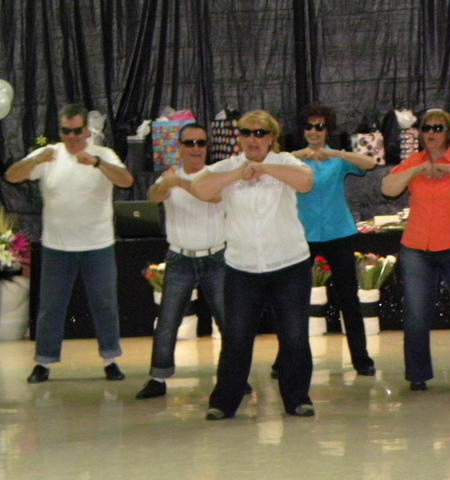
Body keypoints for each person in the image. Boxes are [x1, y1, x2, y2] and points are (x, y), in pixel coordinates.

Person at [192, 109, 315, 420]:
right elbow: (200, 189)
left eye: (260, 133)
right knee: (236, 338)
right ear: (239, 138)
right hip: (242, 269)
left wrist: (265, 168)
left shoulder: (285, 161)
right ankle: (224, 402)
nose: (253, 139)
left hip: (289, 265)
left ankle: (297, 399)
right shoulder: (228, 167)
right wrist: (239, 174)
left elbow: (306, 182)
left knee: (294, 337)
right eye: (246, 133)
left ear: (271, 138)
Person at [5, 103, 134, 383]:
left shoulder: (103, 155)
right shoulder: (49, 154)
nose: (72, 137)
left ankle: (110, 359)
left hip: (98, 245)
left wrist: (97, 164)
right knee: (51, 307)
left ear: (87, 130)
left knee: (104, 305)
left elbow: (126, 181)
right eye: (67, 131)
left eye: (77, 131)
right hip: (57, 247)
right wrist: (35, 161)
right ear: (60, 131)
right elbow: (11, 175)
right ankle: (44, 362)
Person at [381, 108, 450, 390]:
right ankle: (417, 375)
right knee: (416, 314)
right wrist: (416, 170)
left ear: (448, 133)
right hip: (417, 248)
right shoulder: (414, 161)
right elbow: (388, 188)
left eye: (438, 128)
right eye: (427, 128)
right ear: (420, 133)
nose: (431, 133)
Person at [278, 103, 376, 376]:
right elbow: (270, 164)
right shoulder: (292, 160)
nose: (314, 131)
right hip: (303, 235)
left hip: (339, 233)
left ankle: (361, 359)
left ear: (328, 130)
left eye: (319, 127)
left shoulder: (338, 159)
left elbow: (369, 164)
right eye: (309, 126)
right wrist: (299, 155)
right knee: (293, 299)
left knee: (348, 299)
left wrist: (335, 153)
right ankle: (284, 359)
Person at [135, 123, 227, 399]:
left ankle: (235, 376)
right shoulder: (169, 176)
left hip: (216, 257)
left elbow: (212, 196)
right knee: (167, 321)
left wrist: (180, 184)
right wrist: (168, 183)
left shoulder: (217, 175)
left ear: (207, 146)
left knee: (227, 321)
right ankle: (158, 378)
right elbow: (153, 197)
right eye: (190, 143)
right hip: (180, 258)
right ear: (180, 147)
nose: (196, 149)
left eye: (201, 143)